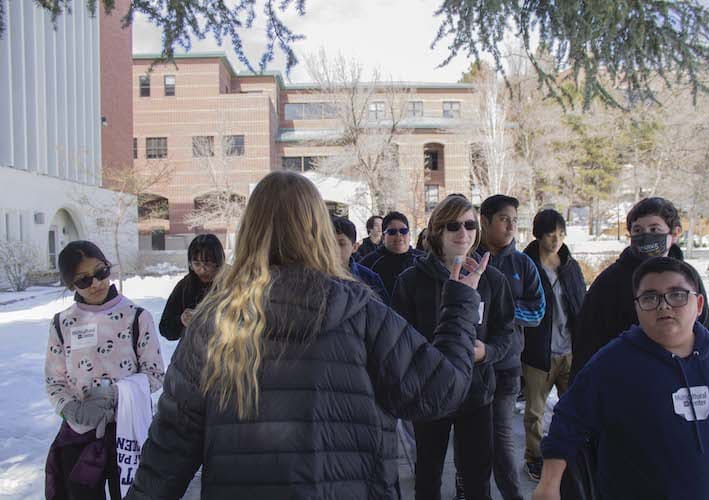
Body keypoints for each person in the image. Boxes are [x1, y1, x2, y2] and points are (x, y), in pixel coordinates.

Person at [126, 171, 489, 500]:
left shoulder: (213, 322)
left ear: (251, 230)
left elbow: (167, 452)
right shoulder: (360, 311)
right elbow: (441, 387)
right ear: (317, 227)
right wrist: (460, 305)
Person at [533, 257, 709, 500]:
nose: (664, 306)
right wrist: (549, 485)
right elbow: (568, 423)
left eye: (677, 294)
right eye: (650, 298)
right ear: (637, 308)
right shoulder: (612, 363)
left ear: (699, 304)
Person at [393, 195, 516, 500]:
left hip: (476, 393)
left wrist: (486, 351)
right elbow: (398, 336)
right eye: (453, 225)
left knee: (476, 479)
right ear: (436, 231)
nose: (463, 232)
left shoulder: (493, 280)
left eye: (470, 225)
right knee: (428, 476)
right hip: (429, 392)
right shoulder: (410, 281)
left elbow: (507, 332)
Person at [44, 241, 165, 499]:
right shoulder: (62, 323)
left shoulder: (136, 317)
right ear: (70, 285)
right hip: (81, 433)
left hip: (129, 431)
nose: (97, 283)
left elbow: (155, 373)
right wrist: (71, 408)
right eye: (84, 280)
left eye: (101, 272)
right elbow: (54, 381)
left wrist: (116, 395)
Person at [571, 197, 709, 381]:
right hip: (624, 382)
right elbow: (586, 341)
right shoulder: (609, 282)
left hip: (681, 380)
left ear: (675, 233)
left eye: (654, 229)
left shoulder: (689, 278)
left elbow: (704, 329)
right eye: (638, 230)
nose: (646, 236)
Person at [462, 194, 544, 500]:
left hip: (506, 364)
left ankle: (513, 495)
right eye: (503, 219)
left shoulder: (524, 264)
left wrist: (502, 311)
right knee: (470, 439)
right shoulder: (467, 257)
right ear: (485, 222)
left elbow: (537, 312)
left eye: (514, 220)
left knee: (501, 437)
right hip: (468, 364)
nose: (510, 226)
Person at [521, 209, 586, 481]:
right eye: (550, 235)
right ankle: (534, 457)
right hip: (539, 351)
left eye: (560, 234)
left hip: (570, 349)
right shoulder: (525, 265)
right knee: (535, 411)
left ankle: (572, 453)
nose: (556, 240)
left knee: (574, 407)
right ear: (538, 235)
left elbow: (581, 302)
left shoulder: (569, 265)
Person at [159, 234, 225, 341]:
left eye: (207, 264)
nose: (202, 270)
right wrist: (181, 321)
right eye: (197, 264)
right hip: (192, 354)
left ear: (218, 262)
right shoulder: (185, 286)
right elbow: (165, 328)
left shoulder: (233, 283)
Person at [359, 211, 424, 297]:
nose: (399, 235)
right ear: (383, 237)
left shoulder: (423, 260)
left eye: (403, 231)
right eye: (392, 232)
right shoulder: (369, 263)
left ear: (409, 234)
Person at [332, 216, 389, 304]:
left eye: (341, 244)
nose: (333, 248)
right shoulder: (314, 278)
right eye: (328, 243)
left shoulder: (369, 278)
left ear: (354, 247)